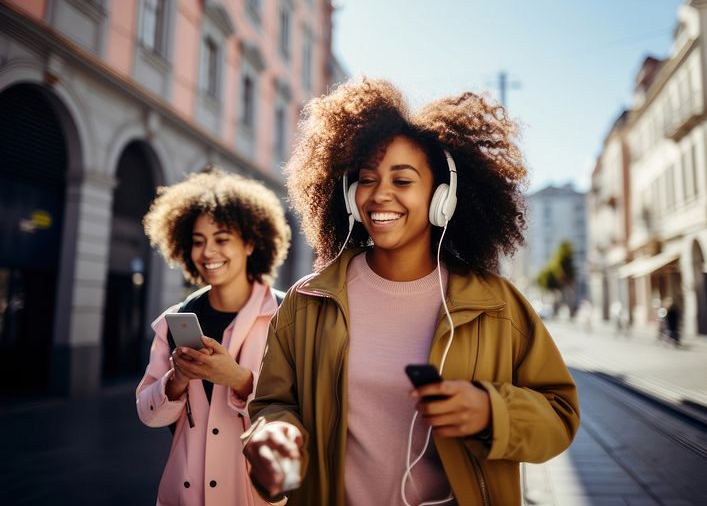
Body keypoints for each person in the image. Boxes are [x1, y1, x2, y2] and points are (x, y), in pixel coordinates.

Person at [241, 79, 580, 506]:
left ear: (443, 199)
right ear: (349, 196)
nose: (380, 194)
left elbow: (560, 415)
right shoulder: (308, 301)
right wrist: (274, 437)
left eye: (402, 180)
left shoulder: (497, 304)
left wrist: (492, 411)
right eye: (367, 179)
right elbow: (272, 403)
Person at [136, 167, 290, 505]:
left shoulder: (287, 316)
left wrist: (239, 379)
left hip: (254, 495)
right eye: (198, 241)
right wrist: (176, 380)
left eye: (222, 239)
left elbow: (303, 413)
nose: (208, 253)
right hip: (185, 493)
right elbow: (149, 415)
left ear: (250, 243)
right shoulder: (174, 320)